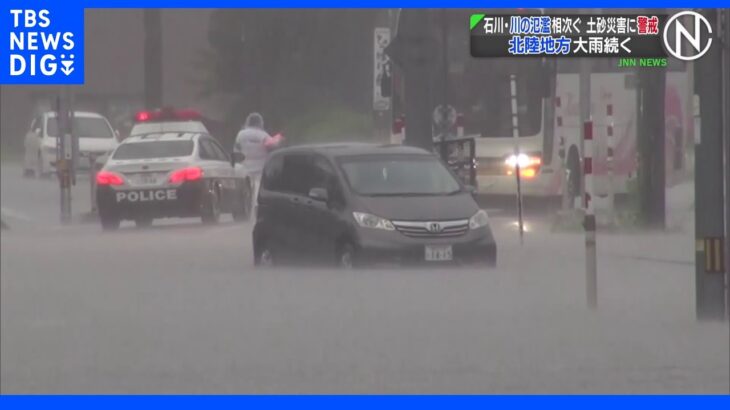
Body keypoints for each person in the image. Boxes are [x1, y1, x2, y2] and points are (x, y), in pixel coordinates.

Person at [233, 113, 281, 218]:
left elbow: (236, 150)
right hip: (260, 167)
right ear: (260, 123)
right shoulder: (263, 135)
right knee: (258, 190)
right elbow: (273, 146)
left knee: (244, 190)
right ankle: (257, 210)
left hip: (243, 167)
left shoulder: (241, 134)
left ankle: (242, 211)